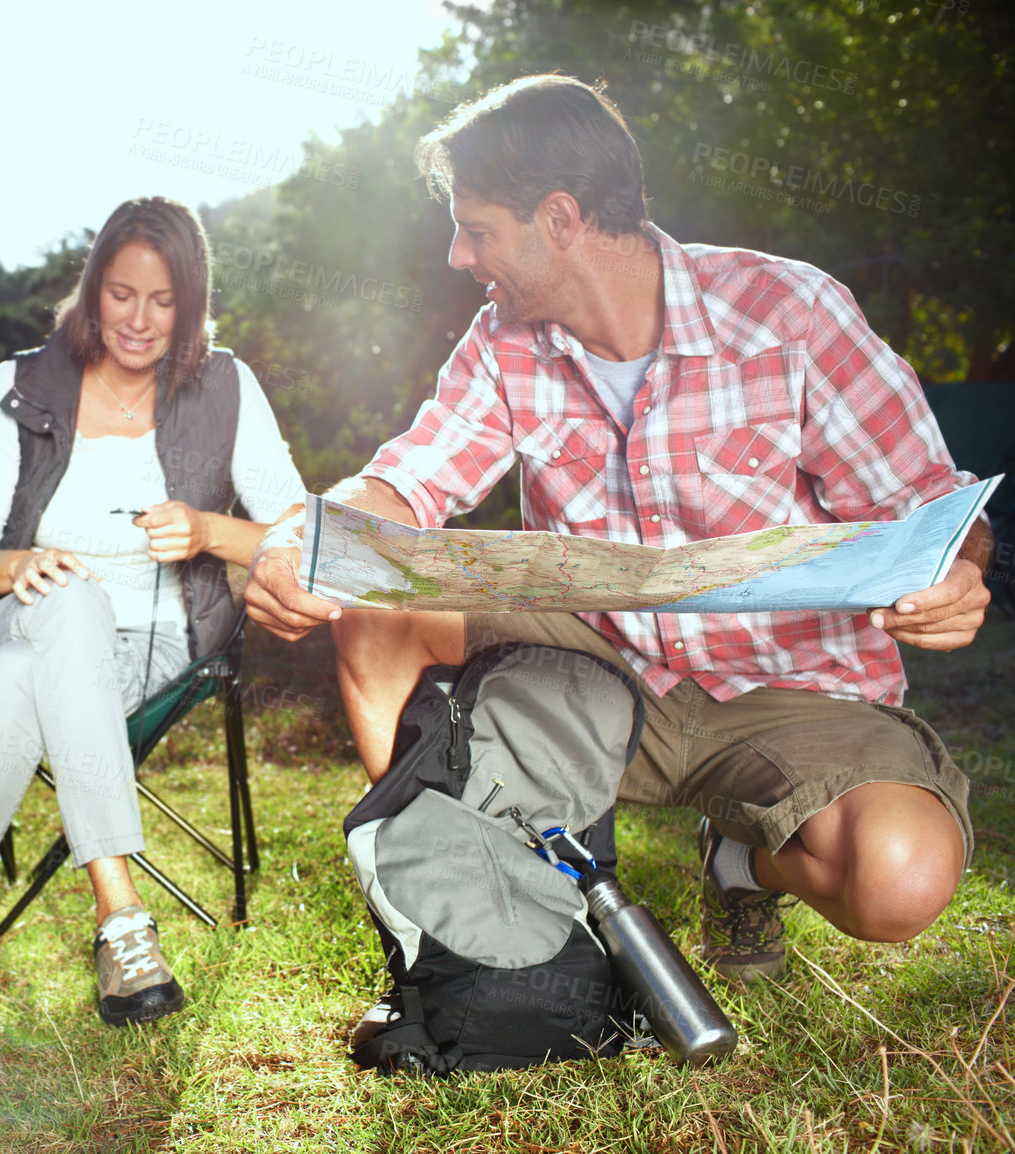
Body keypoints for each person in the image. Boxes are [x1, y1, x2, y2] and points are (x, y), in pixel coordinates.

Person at [245, 75, 993, 993]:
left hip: (788, 686)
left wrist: (958, 569)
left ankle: (742, 861)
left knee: (900, 880)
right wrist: (303, 540)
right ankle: (445, 920)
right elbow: (405, 480)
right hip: (597, 667)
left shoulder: (790, 313)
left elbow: (930, 501)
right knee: (376, 602)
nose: (456, 255)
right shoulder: (500, 344)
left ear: (559, 219)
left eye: (476, 230)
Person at [0, 197, 305, 1027]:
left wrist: (209, 529)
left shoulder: (225, 385)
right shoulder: (21, 383)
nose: (138, 321)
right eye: (120, 295)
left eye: (162, 301)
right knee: (61, 607)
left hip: (153, 644)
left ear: (190, 303)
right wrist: (21, 562)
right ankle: (121, 919)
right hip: (14, 612)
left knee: (14, 688)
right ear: (92, 290)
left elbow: (298, 530)